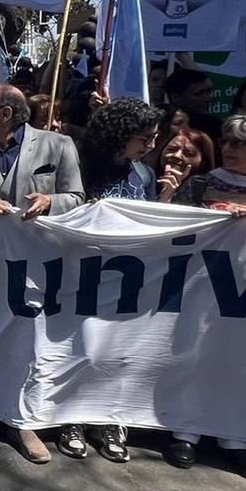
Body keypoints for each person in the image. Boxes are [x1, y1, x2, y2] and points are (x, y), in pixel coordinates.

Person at [0, 84, 84, 464]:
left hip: (37, 264)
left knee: (29, 342)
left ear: (5, 113)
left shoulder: (58, 146)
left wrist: (50, 201)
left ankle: (24, 421)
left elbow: (76, 197)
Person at [50, 99, 166, 463]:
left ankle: (109, 421)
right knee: (80, 347)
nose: (150, 146)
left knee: (119, 351)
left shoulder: (144, 175)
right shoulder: (81, 165)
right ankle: (71, 418)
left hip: (126, 278)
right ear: (121, 135)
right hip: (79, 273)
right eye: (143, 138)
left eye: (154, 138)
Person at [165, 114, 246, 471]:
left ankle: (233, 434)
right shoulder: (200, 184)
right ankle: (186, 432)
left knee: (237, 360)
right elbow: (171, 227)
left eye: (241, 144)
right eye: (228, 142)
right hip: (201, 288)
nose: (231, 149)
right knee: (195, 354)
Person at [153, 127, 214, 204]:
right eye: (172, 149)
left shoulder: (207, 192)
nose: (177, 155)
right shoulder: (145, 178)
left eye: (188, 153)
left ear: (203, 162)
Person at [164, 67, 221, 144]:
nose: (207, 98)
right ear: (175, 97)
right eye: (199, 93)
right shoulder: (158, 123)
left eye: (209, 92)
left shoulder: (216, 127)